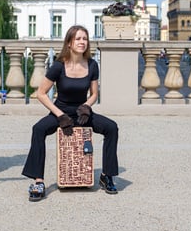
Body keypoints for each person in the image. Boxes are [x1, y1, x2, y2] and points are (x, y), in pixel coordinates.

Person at [22, 25, 120, 201]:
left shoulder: (92, 65)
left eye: (85, 38)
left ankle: (107, 176)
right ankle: (38, 181)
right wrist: (59, 115)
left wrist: (86, 107)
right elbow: (41, 94)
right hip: (61, 111)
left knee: (111, 128)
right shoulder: (58, 66)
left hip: (82, 113)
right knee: (38, 129)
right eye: (78, 39)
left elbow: (94, 94)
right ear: (69, 43)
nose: (82, 42)